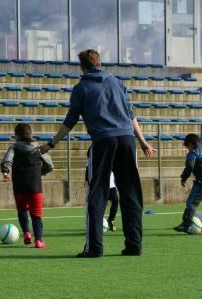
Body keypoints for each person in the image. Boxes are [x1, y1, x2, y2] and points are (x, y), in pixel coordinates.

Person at [39, 49, 156, 258]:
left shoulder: (81, 88)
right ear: (100, 63)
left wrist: (51, 144)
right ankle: (134, 245)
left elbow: (70, 121)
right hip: (127, 140)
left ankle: (94, 248)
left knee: (97, 194)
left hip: (103, 141)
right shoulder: (117, 83)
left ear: (82, 67)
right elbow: (131, 116)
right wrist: (143, 142)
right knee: (131, 193)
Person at [1, 123, 54, 249]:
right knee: (36, 214)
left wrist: (6, 172)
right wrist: (41, 172)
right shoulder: (39, 148)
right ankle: (39, 241)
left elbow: (7, 160)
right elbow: (50, 165)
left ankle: (27, 233)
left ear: (17, 136)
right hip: (35, 185)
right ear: (31, 134)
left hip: (19, 185)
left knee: (22, 210)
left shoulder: (14, 148)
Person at [85, 147, 118, 231]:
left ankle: (111, 220)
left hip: (110, 181)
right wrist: (86, 179)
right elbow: (88, 166)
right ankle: (98, 222)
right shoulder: (92, 149)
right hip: (98, 182)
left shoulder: (111, 148)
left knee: (115, 200)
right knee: (100, 204)